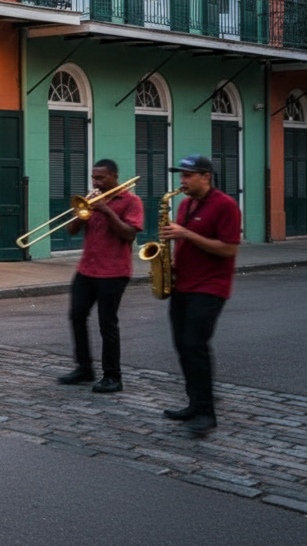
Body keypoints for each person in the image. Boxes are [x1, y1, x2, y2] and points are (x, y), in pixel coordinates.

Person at [159, 155, 241, 435]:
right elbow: (184, 241)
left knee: (195, 345)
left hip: (210, 287)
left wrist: (186, 234)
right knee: (182, 346)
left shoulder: (226, 205)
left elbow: (228, 249)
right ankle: (194, 404)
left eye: (188, 175)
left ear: (206, 177)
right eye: (181, 175)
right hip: (182, 284)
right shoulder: (184, 203)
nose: (182, 180)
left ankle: (206, 412)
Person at [57, 160, 143, 393]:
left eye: (101, 178)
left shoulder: (132, 202)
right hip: (87, 269)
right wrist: (80, 215)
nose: (96, 182)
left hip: (114, 271)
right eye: (94, 177)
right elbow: (72, 231)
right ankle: (84, 368)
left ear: (114, 176)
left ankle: (113, 376)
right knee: (76, 316)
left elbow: (129, 234)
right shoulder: (92, 198)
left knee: (107, 323)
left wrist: (107, 211)